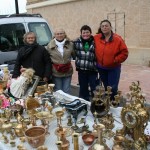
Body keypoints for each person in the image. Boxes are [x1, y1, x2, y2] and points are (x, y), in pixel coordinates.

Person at [94, 19, 128, 101]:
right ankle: (107, 103)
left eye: (106, 26)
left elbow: (124, 52)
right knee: (106, 87)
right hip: (101, 68)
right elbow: (86, 38)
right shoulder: (96, 38)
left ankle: (113, 104)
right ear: (100, 28)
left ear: (110, 27)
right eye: (102, 26)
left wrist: (115, 60)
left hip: (113, 69)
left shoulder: (117, 39)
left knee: (112, 88)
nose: (104, 27)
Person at [74, 25, 98, 101]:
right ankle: (84, 102)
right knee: (83, 88)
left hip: (92, 70)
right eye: (83, 33)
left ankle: (96, 104)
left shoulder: (95, 42)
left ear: (90, 33)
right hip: (81, 70)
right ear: (81, 33)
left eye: (87, 32)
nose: (85, 34)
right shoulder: (76, 42)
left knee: (94, 88)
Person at [47, 28, 74, 93]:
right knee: (58, 91)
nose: (59, 35)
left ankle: (67, 103)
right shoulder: (49, 45)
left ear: (64, 34)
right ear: (55, 35)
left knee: (67, 90)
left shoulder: (70, 44)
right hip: (56, 72)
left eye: (61, 33)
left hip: (68, 71)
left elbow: (74, 55)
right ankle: (59, 103)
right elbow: (47, 59)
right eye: (57, 34)